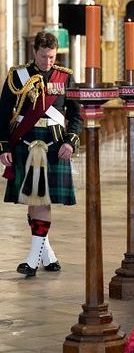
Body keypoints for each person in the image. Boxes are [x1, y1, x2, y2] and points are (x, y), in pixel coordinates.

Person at [0, 31, 81, 277]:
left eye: (52, 57)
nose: (48, 62)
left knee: (39, 201)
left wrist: (71, 142)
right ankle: (45, 255)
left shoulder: (64, 77)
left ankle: (33, 261)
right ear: (34, 51)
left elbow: (76, 115)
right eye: (44, 56)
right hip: (25, 143)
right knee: (34, 200)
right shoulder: (17, 76)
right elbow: (3, 113)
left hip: (54, 145)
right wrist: (4, 146)